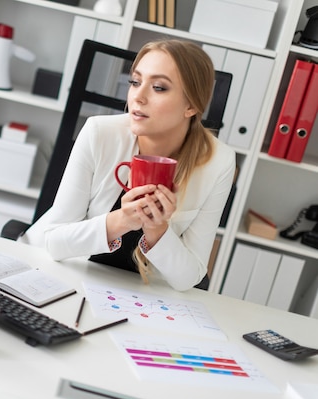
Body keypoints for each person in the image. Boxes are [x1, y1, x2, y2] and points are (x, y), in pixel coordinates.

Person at [19, 39, 236, 291]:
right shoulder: (99, 132)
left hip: (139, 294)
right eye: (135, 82)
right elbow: (54, 242)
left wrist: (158, 231)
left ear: (191, 106)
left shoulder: (218, 162)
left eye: (158, 87)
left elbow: (190, 278)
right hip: (62, 272)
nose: (138, 97)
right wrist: (122, 220)